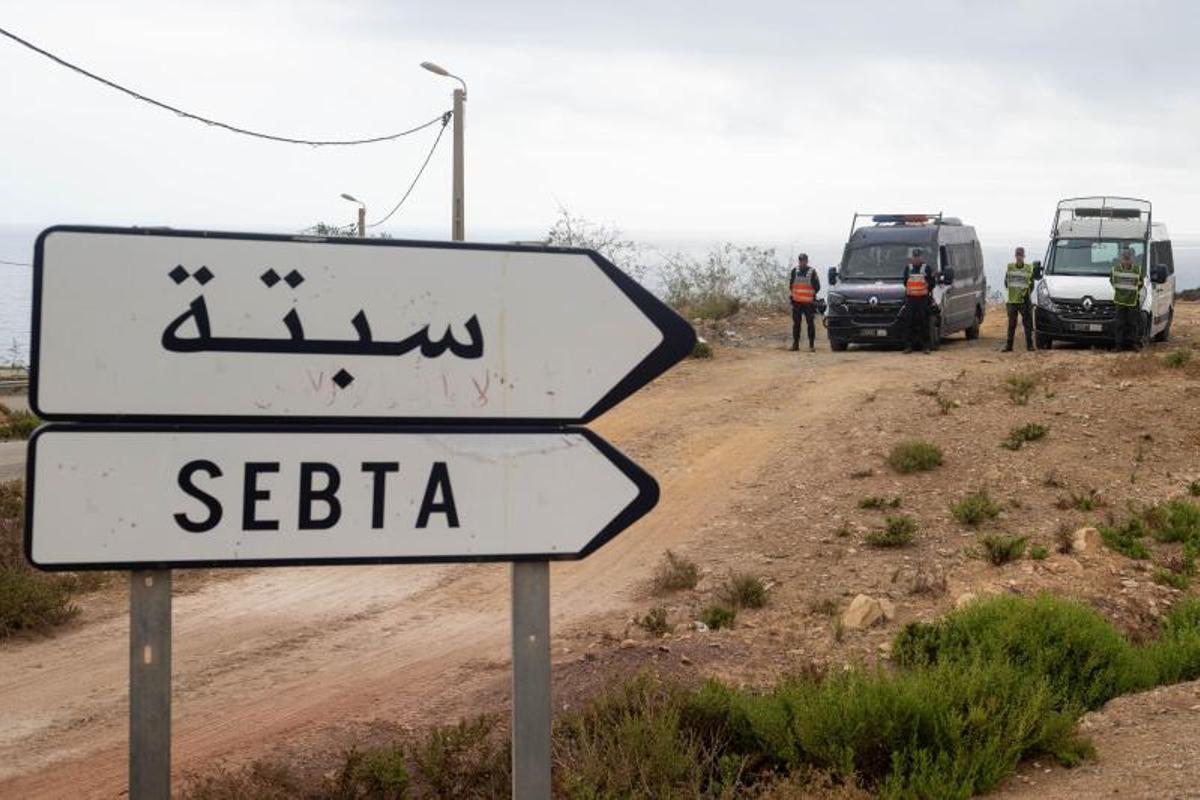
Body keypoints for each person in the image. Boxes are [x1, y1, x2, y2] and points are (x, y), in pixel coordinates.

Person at [903, 248, 935, 354]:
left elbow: (932, 283)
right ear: (912, 257)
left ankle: (926, 346)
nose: (916, 259)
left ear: (921, 257)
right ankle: (908, 346)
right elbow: (905, 282)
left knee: (924, 322)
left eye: (918, 257)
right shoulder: (908, 268)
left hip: (923, 299)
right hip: (911, 299)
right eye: (914, 257)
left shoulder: (927, 268)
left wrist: (926, 290)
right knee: (909, 323)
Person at [1111, 247, 1143, 350]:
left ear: (1132, 258)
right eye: (1125, 258)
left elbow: (1140, 284)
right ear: (1121, 258)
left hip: (1132, 301)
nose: (1126, 260)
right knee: (1119, 324)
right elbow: (1112, 282)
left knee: (1133, 323)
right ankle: (1118, 345)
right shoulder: (1115, 269)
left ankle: (1134, 344)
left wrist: (1128, 292)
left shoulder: (1137, 270)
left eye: (1128, 258)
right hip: (1120, 301)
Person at [1003, 246, 1035, 352]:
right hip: (1012, 301)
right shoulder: (1010, 268)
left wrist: (1025, 295)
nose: (1019, 257)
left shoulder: (1028, 269)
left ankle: (1030, 345)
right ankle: (1009, 346)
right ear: (1015, 256)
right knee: (1011, 325)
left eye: (1021, 255)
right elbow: (1006, 283)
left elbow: (1032, 285)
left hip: (1023, 301)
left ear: (1024, 256)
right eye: (1018, 255)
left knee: (1027, 324)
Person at [788, 253, 820, 351]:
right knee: (796, 324)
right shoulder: (794, 271)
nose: (802, 262)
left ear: (807, 261)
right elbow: (791, 285)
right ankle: (795, 344)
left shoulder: (812, 272)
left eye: (804, 260)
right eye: (801, 260)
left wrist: (811, 295)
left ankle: (811, 345)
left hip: (808, 303)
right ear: (799, 261)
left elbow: (817, 287)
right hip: (797, 302)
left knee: (810, 323)